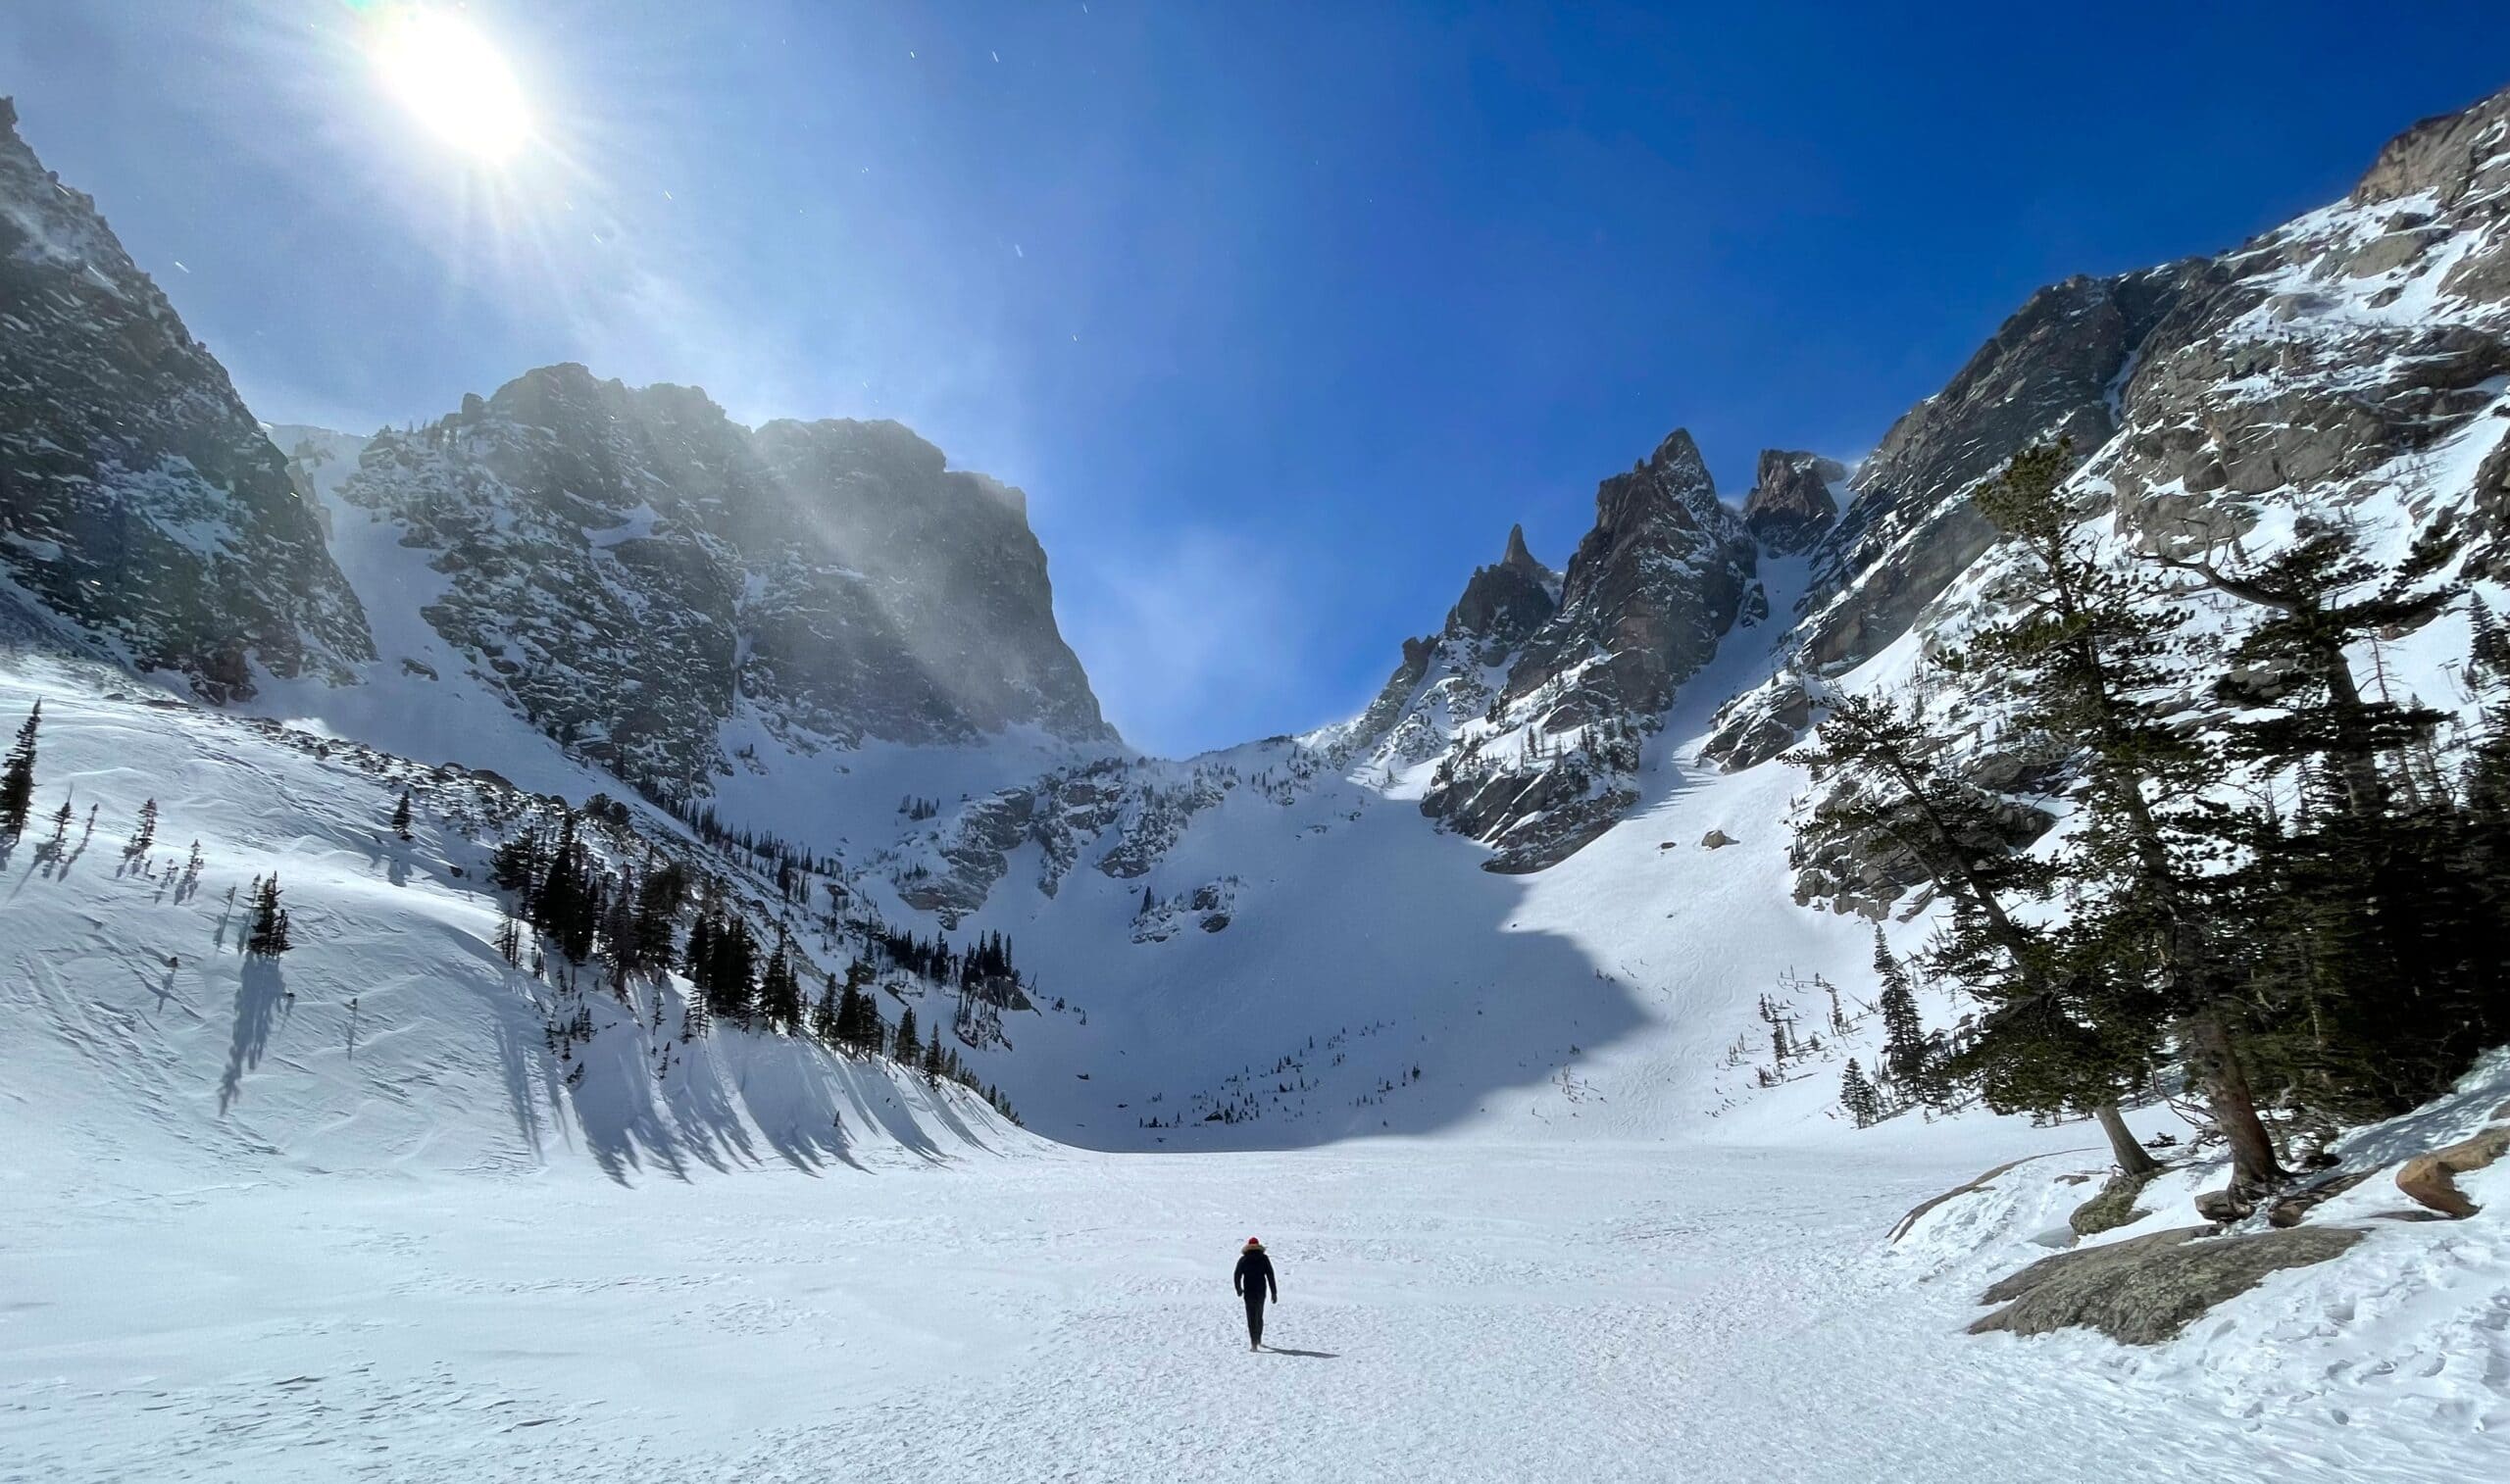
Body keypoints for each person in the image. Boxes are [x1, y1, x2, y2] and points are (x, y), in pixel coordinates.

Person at [1232, 1236, 1278, 1350]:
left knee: (1251, 1316)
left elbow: (1237, 1275)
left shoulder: (1243, 1259)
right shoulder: (1264, 1258)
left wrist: (1238, 1288)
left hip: (1249, 1291)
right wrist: (1274, 1292)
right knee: (1259, 1315)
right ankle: (1258, 1339)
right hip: (1261, 1291)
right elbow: (1270, 1276)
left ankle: (1253, 1343)